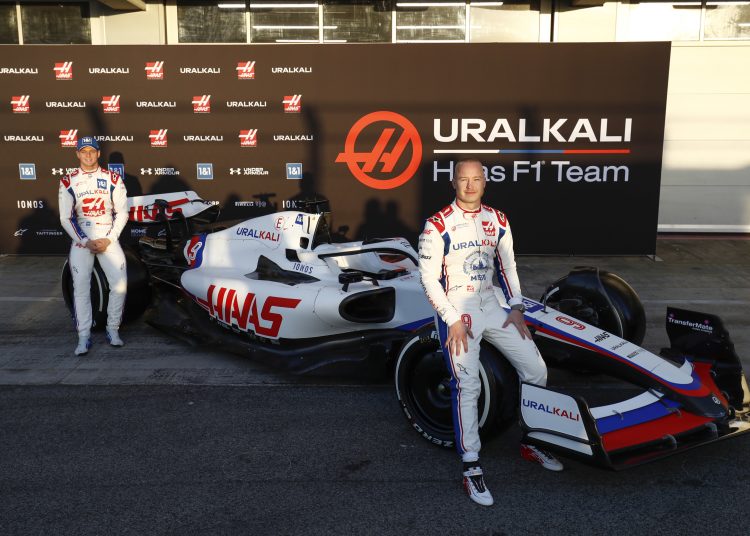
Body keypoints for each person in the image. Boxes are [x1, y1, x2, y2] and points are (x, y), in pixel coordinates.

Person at [418, 158, 563, 507]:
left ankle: (533, 441)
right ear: (453, 183)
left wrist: (516, 307)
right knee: (468, 385)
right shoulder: (437, 225)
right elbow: (428, 279)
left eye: (476, 179)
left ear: (485, 182)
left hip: (491, 304)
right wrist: (451, 319)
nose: (470, 186)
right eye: (463, 179)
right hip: (458, 311)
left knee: (536, 369)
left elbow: (508, 266)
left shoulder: (497, 219)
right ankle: (471, 465)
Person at [58, 136, 128, 355]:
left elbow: (122, 212)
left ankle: (112, 329)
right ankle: (84, 336)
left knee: (120, 285)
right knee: (81, 288)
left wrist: (109, 238)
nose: (88, 155)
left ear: (98, 153)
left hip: (108, 235)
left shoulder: (113, 178)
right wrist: (85, 241)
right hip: (83, 239)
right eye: (83, 151)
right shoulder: (68, 181)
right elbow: (65, 218)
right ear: (78, 154)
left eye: (91, 151)